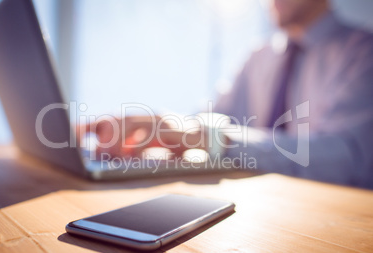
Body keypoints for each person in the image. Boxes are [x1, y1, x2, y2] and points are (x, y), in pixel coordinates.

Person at [78, 0, 373, 189]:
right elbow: (215, 118)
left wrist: (203, 135)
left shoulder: (363, 53)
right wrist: (160, 134)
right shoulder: (261, 56)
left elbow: (347, 160)